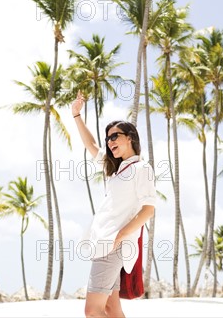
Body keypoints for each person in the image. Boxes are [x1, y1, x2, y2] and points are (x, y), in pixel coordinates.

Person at [72, 92, 156, 318]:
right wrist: (76, 115)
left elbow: (148, 210)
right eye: (108, 138)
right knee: (111, 308)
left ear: (130, 137)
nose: (110, 142)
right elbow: (91, 145)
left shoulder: (141, 168)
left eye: (115, 136)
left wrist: (119, 236)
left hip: (113, 243)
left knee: (92, 310)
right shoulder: (117, 170)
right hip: (106, 241)